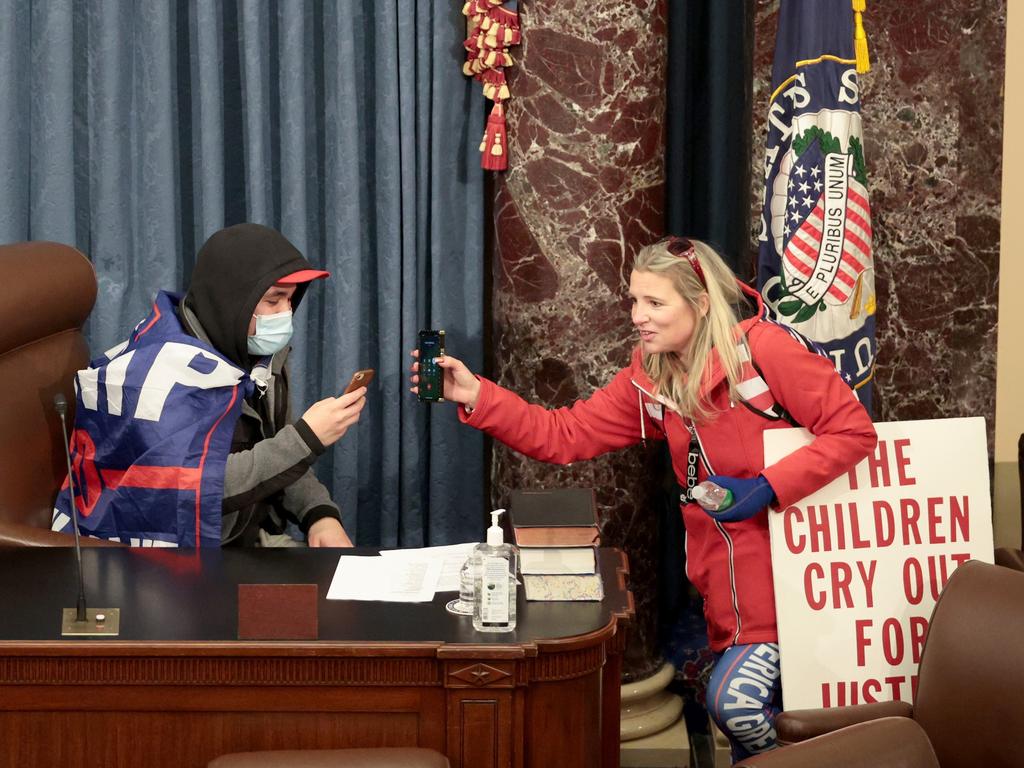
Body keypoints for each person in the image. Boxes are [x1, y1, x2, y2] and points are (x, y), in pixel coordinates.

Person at [408, 236, 876, 762]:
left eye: (655, 303)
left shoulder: (765, 351)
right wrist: (480, 396)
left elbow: (854, 433)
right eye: (634, 301)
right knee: (747, 738)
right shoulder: (652, 377)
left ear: (700, 303)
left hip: (794, 585)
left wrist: (768, 487)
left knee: (735, 705)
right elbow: (566, 434)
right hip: (725, 593)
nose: (638, 316)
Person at [52, 223, 363, 548]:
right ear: (234, 301)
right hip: (174, 556)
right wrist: (307, 438)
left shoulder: (259, 353)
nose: (287, 313)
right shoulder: (160, 374)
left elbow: (276, 449)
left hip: (244, 537)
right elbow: (196, 488)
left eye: (291, 299)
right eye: (274, 300)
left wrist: (319, 514)